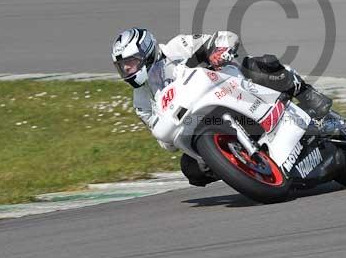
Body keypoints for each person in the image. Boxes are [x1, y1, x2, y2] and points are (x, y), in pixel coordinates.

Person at [111, 27, 332, 186]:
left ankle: (306, 93)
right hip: (196, 121)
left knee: (253, 65)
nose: (128, 70)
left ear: (147, 52)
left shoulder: (176, 48)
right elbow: (165, 142)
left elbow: (224, 37)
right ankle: (241, 169)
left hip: (229, 88)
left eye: (131, 63)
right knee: (191, 169)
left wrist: (220, 50)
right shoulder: (141, 102)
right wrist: (203, 156)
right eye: (123, 67)